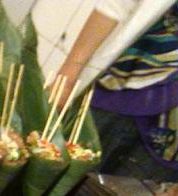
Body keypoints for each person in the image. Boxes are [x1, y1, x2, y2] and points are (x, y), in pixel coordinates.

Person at [51, 0, 178, 180]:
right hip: (115, 93)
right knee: (54, 177)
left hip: (168, 142)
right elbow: (116, 4)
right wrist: (68, 75)